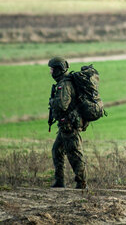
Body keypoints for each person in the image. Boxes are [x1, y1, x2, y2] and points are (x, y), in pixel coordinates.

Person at [47, 56, 86, 189]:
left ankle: (82, 183)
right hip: (65, 125)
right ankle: (59, 182)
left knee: (74, 153)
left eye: (52, 69)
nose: (51, 72)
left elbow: (62, 105)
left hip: (70, 125)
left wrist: (52, 102)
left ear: (59, 70)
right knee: (57, 150)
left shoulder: (64, 85)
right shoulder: (64, 82)